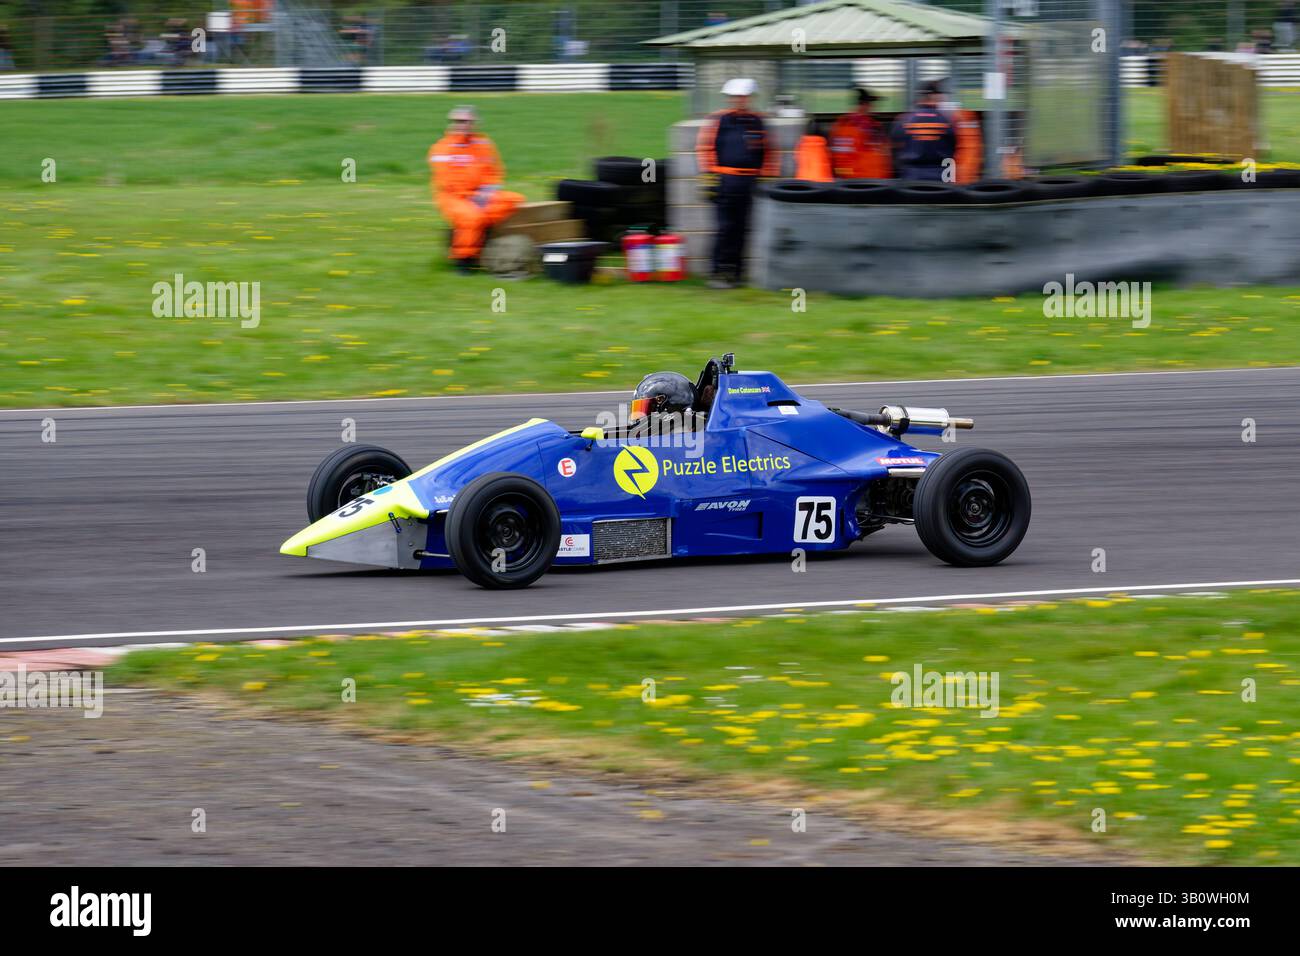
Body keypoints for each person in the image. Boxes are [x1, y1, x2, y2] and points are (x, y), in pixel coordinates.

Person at [695, 77, 778, 289]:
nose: (739, 100)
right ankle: (718, 273)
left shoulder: (758, 121)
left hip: (749, 182)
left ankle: (737, 273)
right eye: (735, 97)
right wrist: (709, 179)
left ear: (749, 98)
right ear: (729, 99)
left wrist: (767, 180)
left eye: (743, 97)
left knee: (743, 229)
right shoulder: (718, 120)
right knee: (725, 228)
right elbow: (705, 149)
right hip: (725, 180)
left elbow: (769, 152)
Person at [428, 106, 524, 274]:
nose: (461, 125)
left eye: (466, 121)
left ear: (475, 123)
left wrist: (485, 193)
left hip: (482, 194)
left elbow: (495, 172)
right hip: (453, 197)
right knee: (471, 217)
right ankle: (464, 260)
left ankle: (480, 231)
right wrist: (471, 199)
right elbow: (446, 180)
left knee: (514, 199)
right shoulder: (442, 147)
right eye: (457, 121)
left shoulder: (485, 144)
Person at [890, 80, 957, 182]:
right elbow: (953, 146)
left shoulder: (904, 120)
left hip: (911, 178)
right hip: (941, 180)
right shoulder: (946, 120)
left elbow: (895, 146)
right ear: (933, 96)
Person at [828, 88, 892, 180]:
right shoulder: (867, 125)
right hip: (867, 180)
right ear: (865, 105)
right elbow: (882, 150)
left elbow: (834, 151)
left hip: (844, 178)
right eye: (873, 104)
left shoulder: (841, 122)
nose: (875, 108)